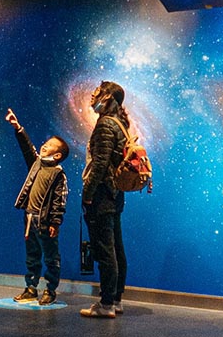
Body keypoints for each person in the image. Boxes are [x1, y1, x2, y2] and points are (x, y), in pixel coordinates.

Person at [5, 108, 69, 306]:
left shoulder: (58, 174)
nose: (44, 146)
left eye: (49, 146)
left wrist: (55, 222)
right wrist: (18, 128)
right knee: (32, 255)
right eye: (45, 143)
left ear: (57, 155)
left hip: (45, 222)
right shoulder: (37, 163)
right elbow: (27, 148)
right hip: (29, 218)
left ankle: (50, 290)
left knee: (50, 256)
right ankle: (31, 288)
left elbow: (60, 200)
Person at [79, 81, 130, 319]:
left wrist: (87, 195)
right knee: (116, 247)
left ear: (108, 97)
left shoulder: (105, 124)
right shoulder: (120, 124)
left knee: (105, 250)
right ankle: (116, 299)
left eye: (98, 92)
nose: (93, 95)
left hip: (102, 195)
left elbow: (99, 164)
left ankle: (106, 303)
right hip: (115, 194)